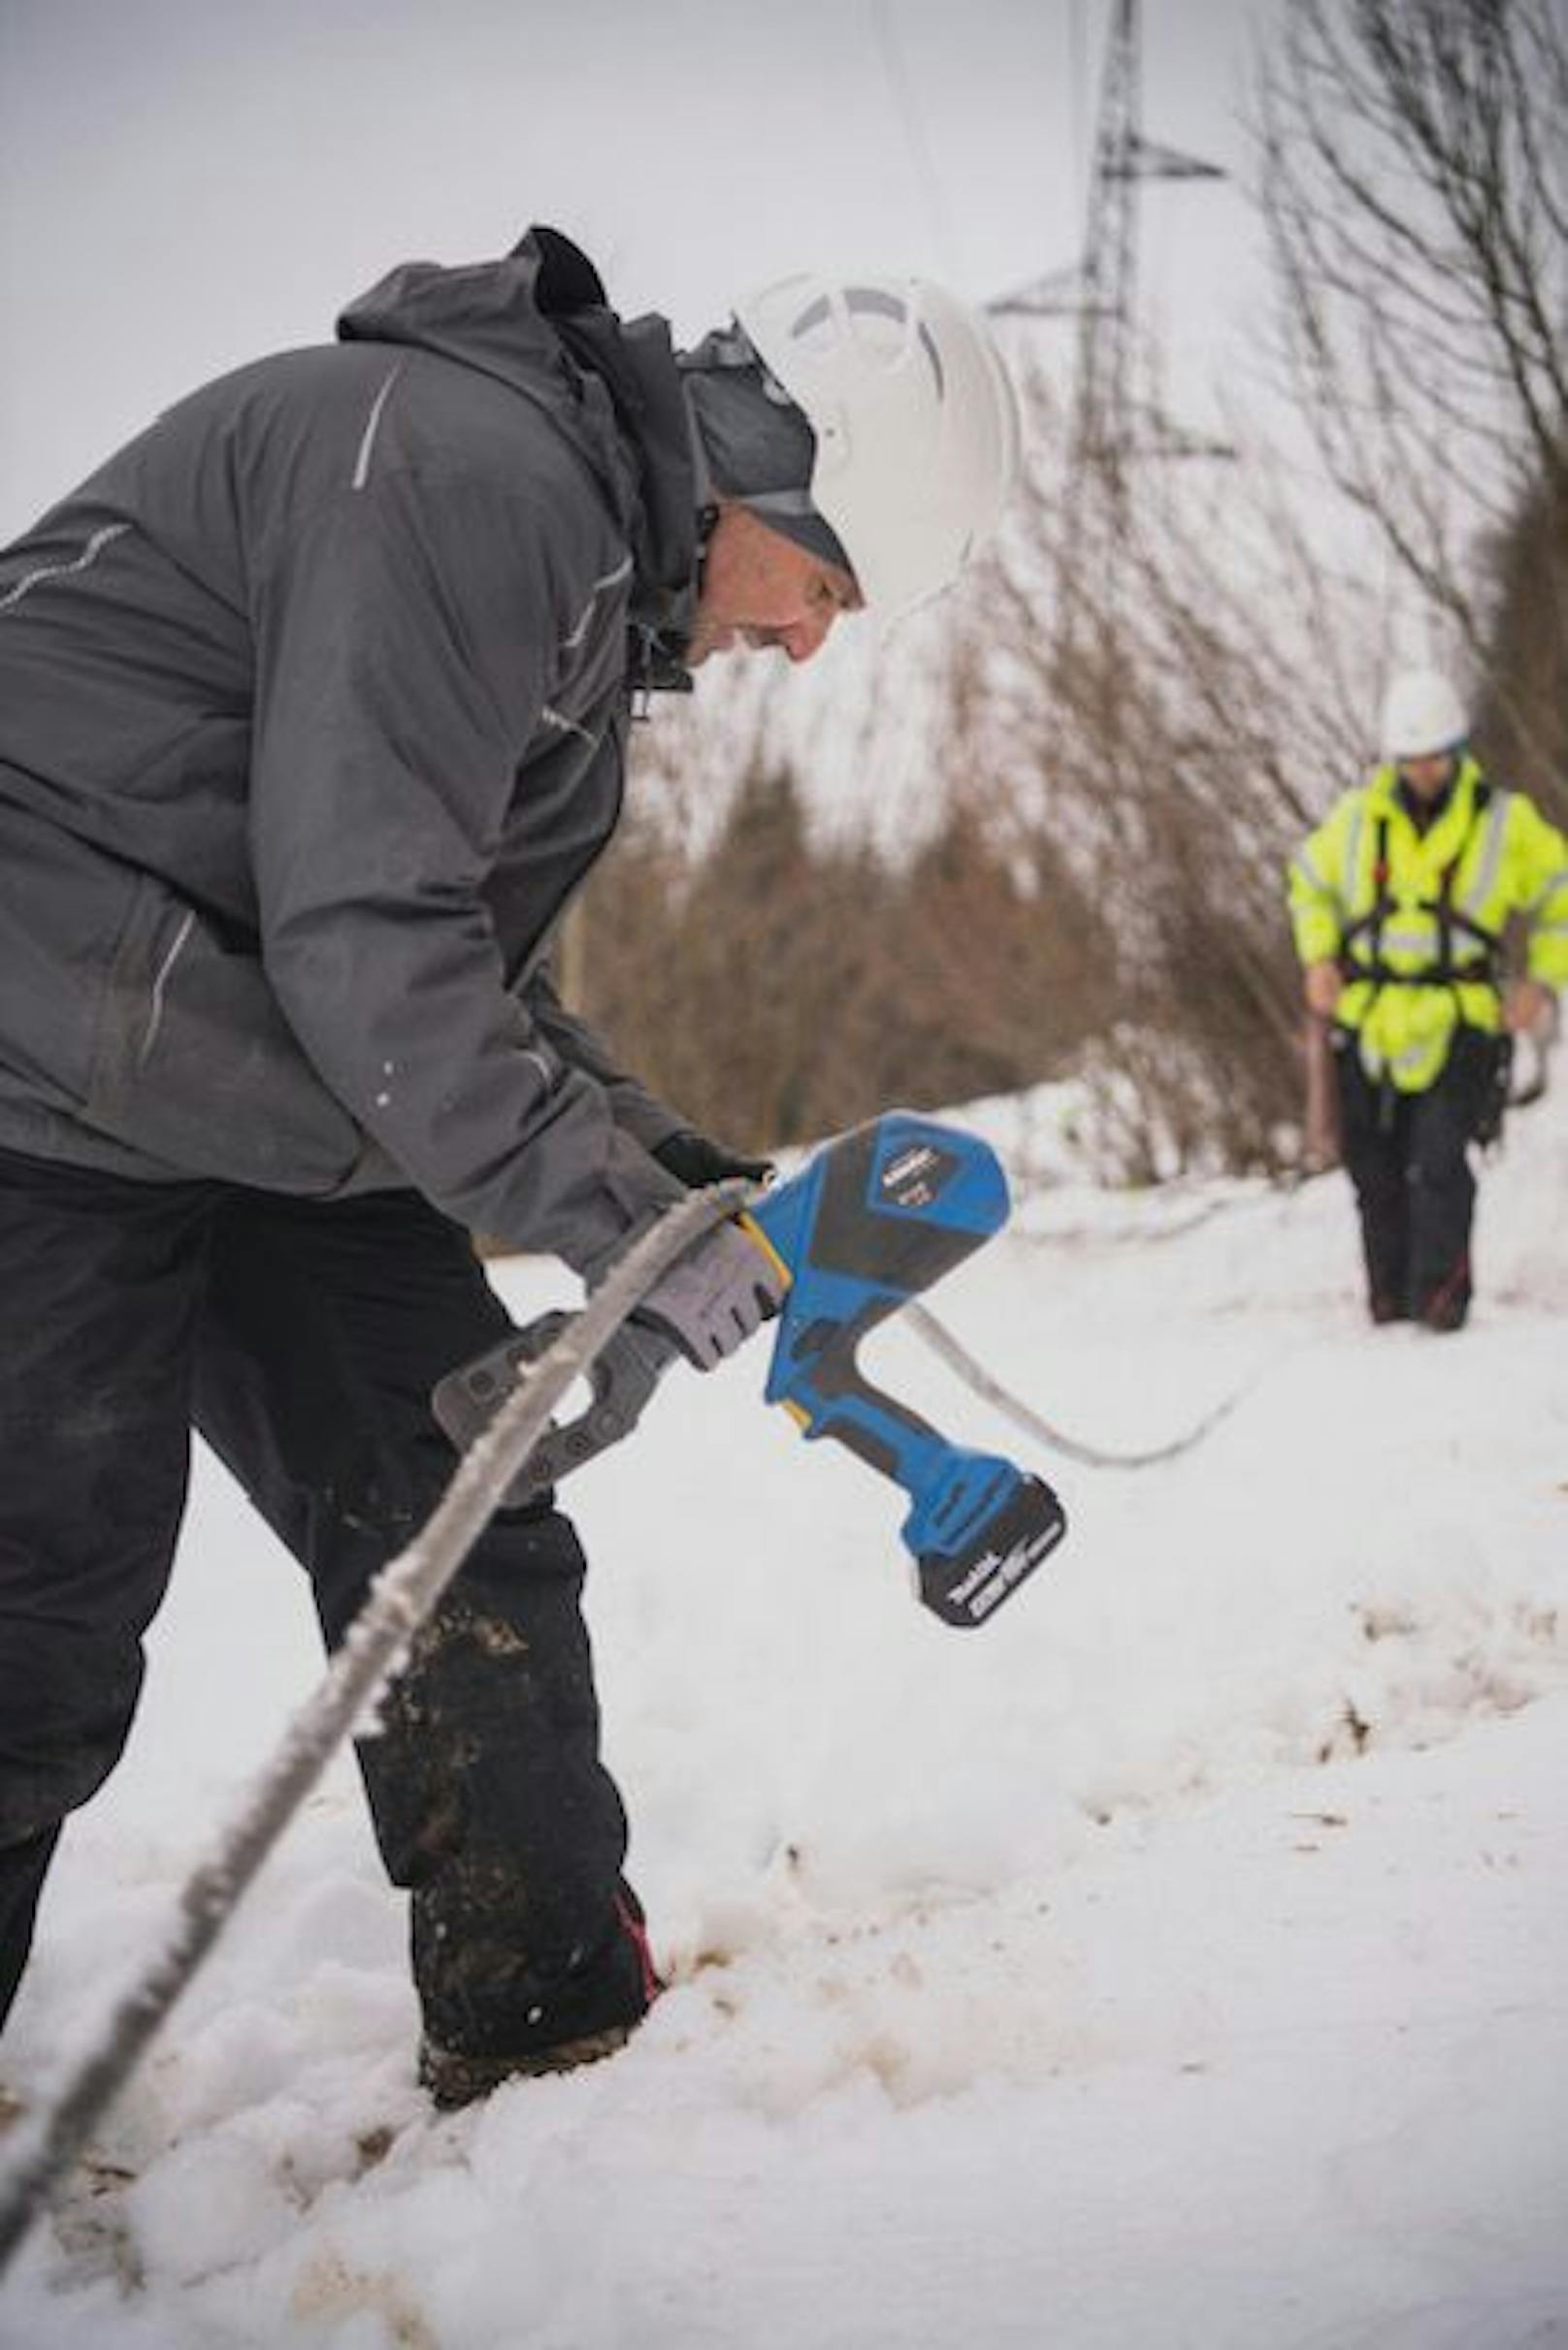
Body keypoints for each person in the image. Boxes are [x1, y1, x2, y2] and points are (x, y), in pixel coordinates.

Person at [0, 226, 1022, 2104]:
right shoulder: (472, 480)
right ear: (771, 475)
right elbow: (369, 944)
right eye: (829, 587)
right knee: (34, 1611)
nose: (803, 640)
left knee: (453, 1507)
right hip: (42, 1052)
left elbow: (454, 968)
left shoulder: (577, 580)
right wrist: (626, 1228)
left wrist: (672, 1170)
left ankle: (551, 2053)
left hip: (266, 1074)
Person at [1288, 665, 1568, 1331]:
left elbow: (1560, 895)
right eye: (1410, 762)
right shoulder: (1357, 821)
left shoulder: (1506, 824)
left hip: (1460, 1021)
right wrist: (1319, 955)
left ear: (1458, 753)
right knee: (1373, 1170)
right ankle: (1388, 1304)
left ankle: (1440, 1306)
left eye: (1434, 761)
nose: (1422, 775)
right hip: (1369, 1022)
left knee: (1439, 1161)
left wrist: (1542, 980)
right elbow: (1307, 883)